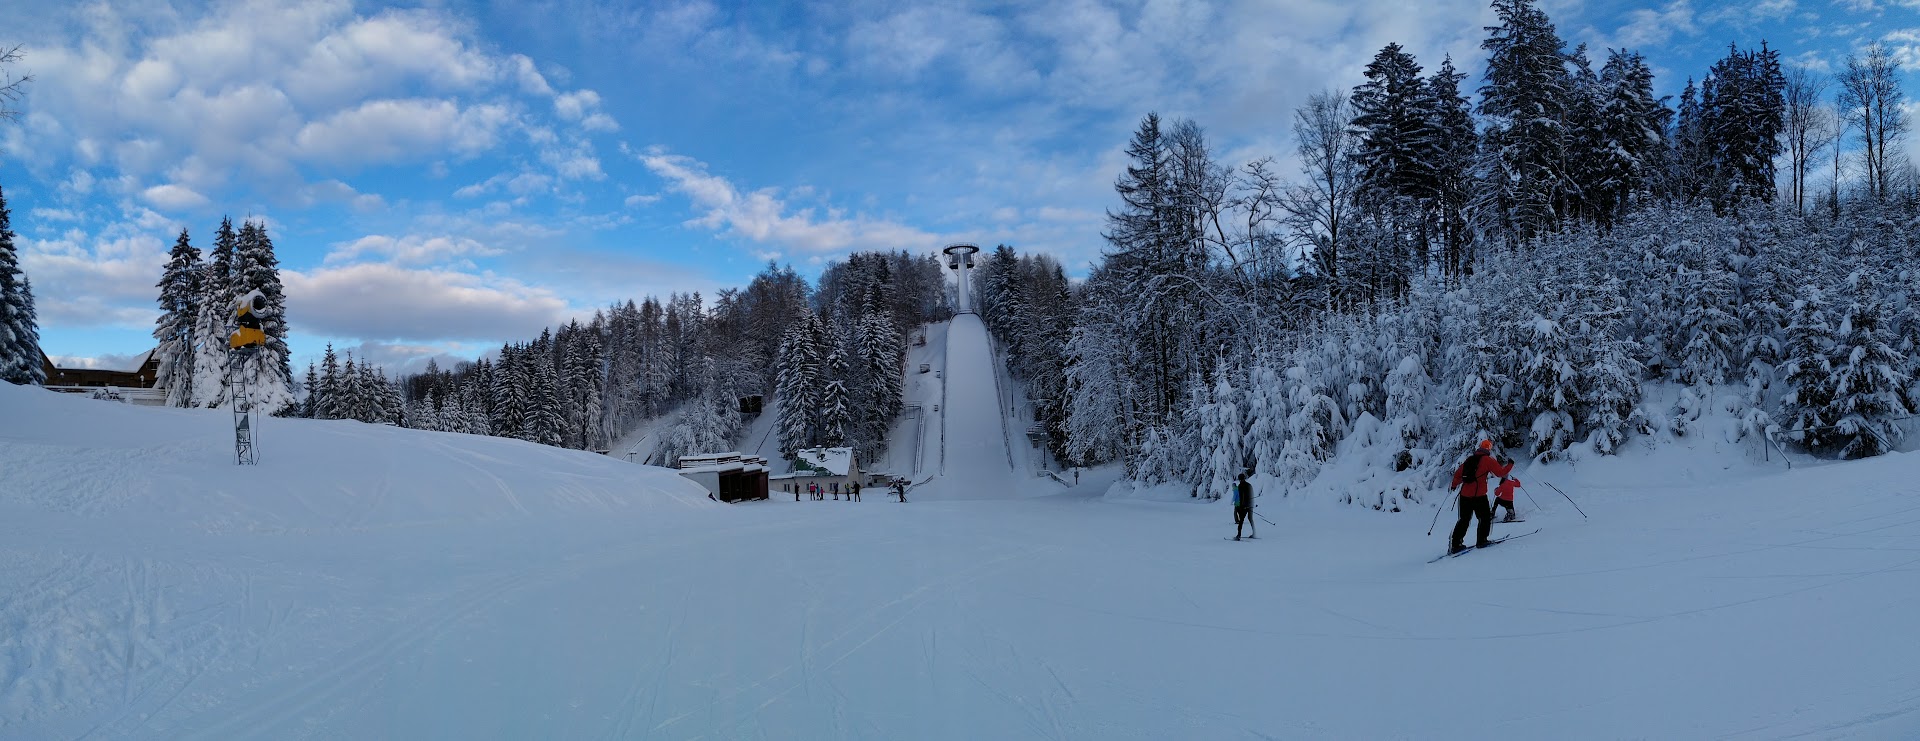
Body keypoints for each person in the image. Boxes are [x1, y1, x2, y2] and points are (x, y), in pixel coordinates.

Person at [1449, 440, 1515, 554]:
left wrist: (1454, 485)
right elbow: (1500, 473)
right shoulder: (1487, 460)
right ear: (1488, 449)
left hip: (1464, 495)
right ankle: (1482, 541)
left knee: (1464, 519)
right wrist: (1510, 464)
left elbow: (1458, 475)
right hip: (1479, 496)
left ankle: (1456, 544)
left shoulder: (1469, 460)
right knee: (1484, 517)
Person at [1232, 472, 1256, 540]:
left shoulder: (1240, 486)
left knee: (1241, 520)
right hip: (1250, 504)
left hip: (1244, 506)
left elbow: (1241, 497)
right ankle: (1254, 533)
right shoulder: (1249, 485)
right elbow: (1252, 495)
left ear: (1240, 479)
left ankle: (1238, 535)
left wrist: (1241, 506)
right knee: (1250, 519)